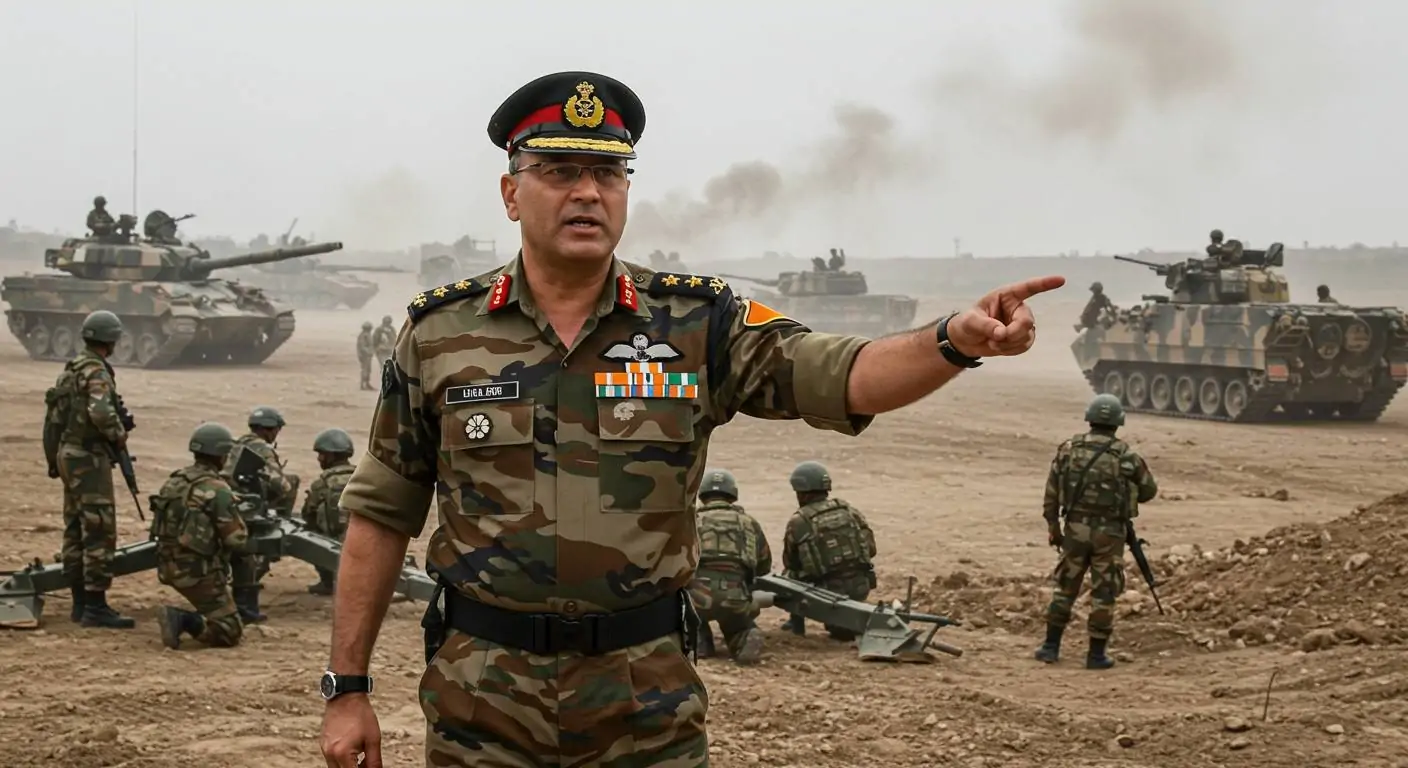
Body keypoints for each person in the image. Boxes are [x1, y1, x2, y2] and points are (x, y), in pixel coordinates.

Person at [318, 70, 1060, 768]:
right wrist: (346, 690)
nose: (588, 192)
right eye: (560, 171)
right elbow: (382, 513)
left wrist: (952, 342)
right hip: (481, 702)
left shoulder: (698, 322)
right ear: (512, 193)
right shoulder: (440, 334)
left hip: (646, 702)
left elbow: (846, 376)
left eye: (609, 173)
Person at [1035, 393, 1158, 670]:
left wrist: (1054, 527)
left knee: (1065, 588)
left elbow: (1051, 493)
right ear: (1117, 423)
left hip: (1075, 529)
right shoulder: (1126, 456)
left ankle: (1050, 647)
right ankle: (1096, 655)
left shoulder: (1068, 450)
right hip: (1110, 534)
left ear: (1089, 418)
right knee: (1104, 593)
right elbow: (1149, 491)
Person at [44, 309, 135, 629]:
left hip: (68, 453)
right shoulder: (95, 371)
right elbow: (101, 413)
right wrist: (119, 435)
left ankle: (80, 603)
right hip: (87, 457)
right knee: (98, 528)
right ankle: (95, 606)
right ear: (111, 340)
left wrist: (54, 457)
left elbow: (55, 417)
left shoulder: (71, 369)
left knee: (75, 527)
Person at [151, 422, 250, 650]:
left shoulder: (175, 481)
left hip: (167, 563)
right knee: (230, 631)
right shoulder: (216, 489)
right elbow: (236, 540)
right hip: (196, 572)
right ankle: (184, 620)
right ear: (222, 456)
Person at [779, 460, 876, 641]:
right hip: (860, 587)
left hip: (826, 594)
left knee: (786, 576)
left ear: (801, 492)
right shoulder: (849, 511)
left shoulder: (799, 521)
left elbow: (790, 562)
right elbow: (870, 549)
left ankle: (796, 624)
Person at [221, 405, 300, 623]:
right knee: (292, 481)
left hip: (225, 501)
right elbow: (282, 485)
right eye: (276, 430)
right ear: (268, 430)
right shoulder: (262, 448)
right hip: (246, 508)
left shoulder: (236, 444)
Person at [688, 469, 771, 664]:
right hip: (736, 597)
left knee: (687, 613)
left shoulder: (690, 521)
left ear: (702, 495)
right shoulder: (749, 523)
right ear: (732, 494)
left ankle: (698, 640)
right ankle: (743, 637)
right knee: (737, 622)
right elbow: (763, 565)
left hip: (697, 598)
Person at [300, 428, 356, 596]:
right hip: (364, 536)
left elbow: (307, 514)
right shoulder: (362, 477)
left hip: (334, 542)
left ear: (331, 456)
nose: (319, 458)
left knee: (308, 534)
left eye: (322, 454)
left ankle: (327, 582)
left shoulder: (322, 484)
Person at [356, 321, 375, 391]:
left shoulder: (366, 335)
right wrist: (369, 352)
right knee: (365, 370)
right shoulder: (364, 335)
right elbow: (362, 346)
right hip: (365, 355)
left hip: (367, 355)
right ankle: (363, 384)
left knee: (368, 370)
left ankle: (366, 383)